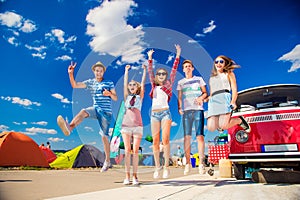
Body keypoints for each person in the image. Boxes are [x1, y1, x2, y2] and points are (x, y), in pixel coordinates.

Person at [57, 61, 118, 172]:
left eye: (101, 71)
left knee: (104, 137)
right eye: (97, 71)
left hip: (106, 112)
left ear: (103, 72)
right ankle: (69, 128)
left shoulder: (109, 82)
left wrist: (109, 94)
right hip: (95, 108)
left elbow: (115, 98)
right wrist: (70, 73)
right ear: (94, 72)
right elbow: (75, 85)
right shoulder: (90, 82)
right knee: (83, 111)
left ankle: (108, 160)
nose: (98, 72)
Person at [147, 44, 181, 179]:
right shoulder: (154, 86)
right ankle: (157, 167)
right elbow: (150, 71)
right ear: (156, 77)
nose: (161, 75)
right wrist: (150, 58)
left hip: (166, 113)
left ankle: (166, 167)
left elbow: (174, 70)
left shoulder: (168, 86)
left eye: (163, 74)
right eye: (159, 74)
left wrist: (177, 54)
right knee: (155, 142)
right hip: (154, 114)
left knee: (165, 140)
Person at [176, 59, 208, 175]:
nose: (188, 68)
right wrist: (179, 108)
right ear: (183, 69)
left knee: (200, 137)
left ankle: (201, 164)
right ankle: (188, 163)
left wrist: (201, 98)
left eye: (189, 66)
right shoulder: (181, 82)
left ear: (192, 68)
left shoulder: (198, 79)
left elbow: (205, 93)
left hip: (198, 110)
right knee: (187, 138)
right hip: (186, 111)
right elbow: (179, 97)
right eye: (185, 66)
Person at [206, 55, 251, 133]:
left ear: (225, 63)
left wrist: (233, 101)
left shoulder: (229, 73)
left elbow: (234, 89)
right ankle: (220, 124)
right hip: (214, 100)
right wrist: (206, 98)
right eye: (216, 62)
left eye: (221, 62)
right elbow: (211, 93)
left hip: (224, 97)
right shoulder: (211, 78)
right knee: (210, 127)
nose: (218, 63)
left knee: (224, 125)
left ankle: (239, 120)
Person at [121, 64, 146, 185]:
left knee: (135, 151)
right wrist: (126, 72)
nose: (131, 86)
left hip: (137, 126)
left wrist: (145, 70)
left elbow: (143, 81)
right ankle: (127, 176)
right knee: (127, 151)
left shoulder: (140, 97)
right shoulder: (126, 96)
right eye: (130, 85)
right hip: (125, 126)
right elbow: (125, 84)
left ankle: (135, 176)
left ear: (137, 87)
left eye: (134, 85)